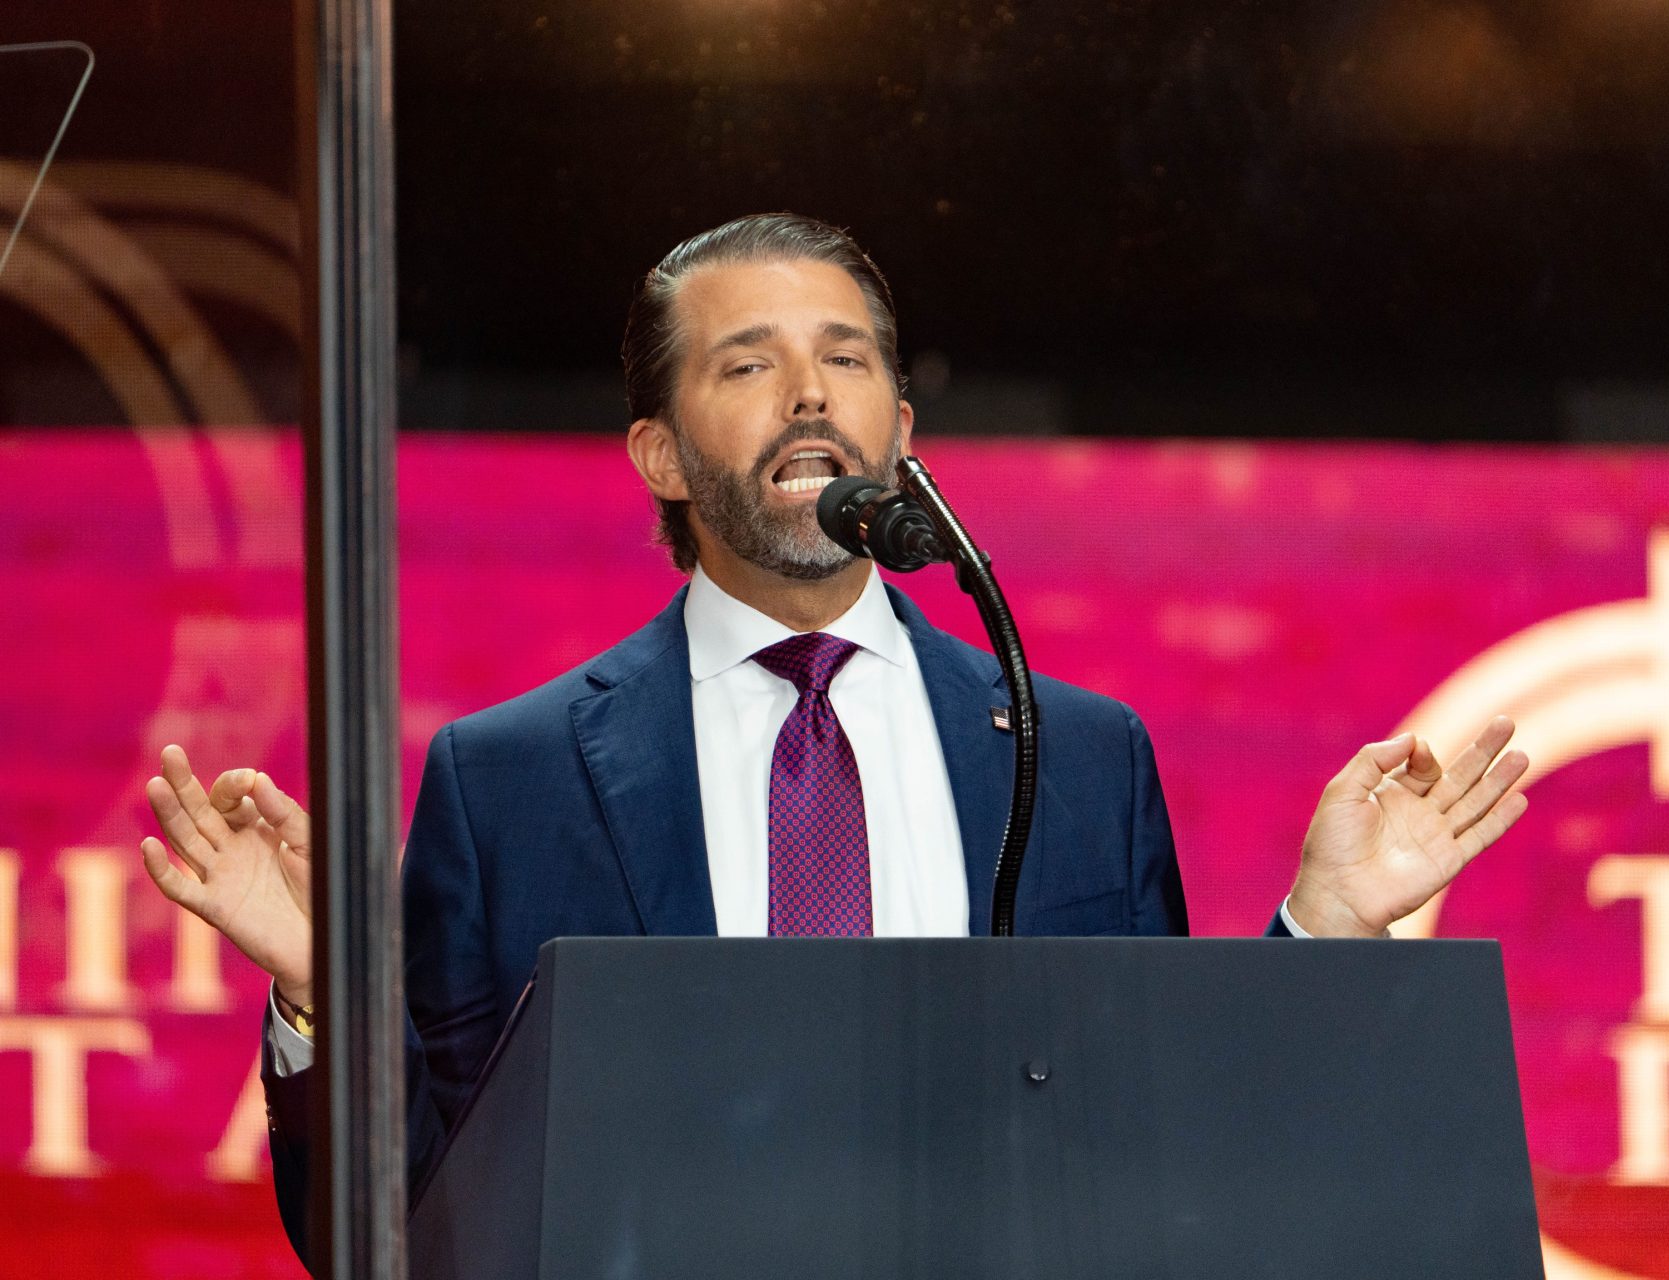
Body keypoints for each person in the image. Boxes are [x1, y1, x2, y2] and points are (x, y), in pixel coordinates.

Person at [139, 213, 1530, 1266]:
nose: (810, 393)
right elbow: (406, 1235)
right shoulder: (509, 780)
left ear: (903, 434)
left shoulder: (1076, 754)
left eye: (845, 361)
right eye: (749, 364)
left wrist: (1321, 931)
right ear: (663, 456)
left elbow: (1159, 1169)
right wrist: (329, 1000)